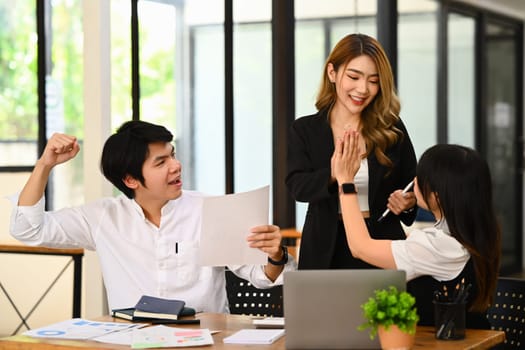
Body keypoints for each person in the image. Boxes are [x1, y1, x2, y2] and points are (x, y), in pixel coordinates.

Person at [9, 120, 296, 313]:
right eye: (161, 162)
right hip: (133, 341)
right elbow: (28, 229)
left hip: (205, 342)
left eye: (172, 155)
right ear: (131, 179)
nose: (176, 166)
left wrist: (275, 255)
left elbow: (261, 277)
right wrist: (45, 165)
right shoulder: (103, 218)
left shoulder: (209, 208)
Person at [333, 133, 501, 328]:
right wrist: (417, 202)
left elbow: (360, 247)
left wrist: (345, 182)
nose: (414, 180)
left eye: (421, 178)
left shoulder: (438, 245)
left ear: (437, 196)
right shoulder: (476, 230)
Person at [286, 33, 417, 269]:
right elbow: (297, 187)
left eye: (374, 81)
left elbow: (412, 184)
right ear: (332, 73)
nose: (363, 89)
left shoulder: (392, 128)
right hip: (324, 248)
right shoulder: (305, 129)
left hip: (380, 243)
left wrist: (407, 202)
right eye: (354, 77)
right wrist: (336, 174)